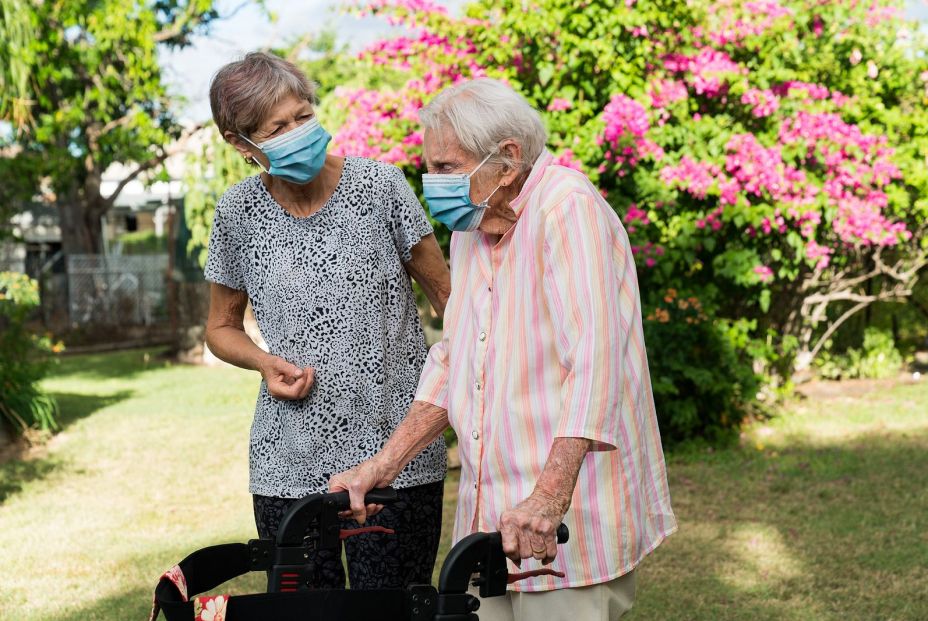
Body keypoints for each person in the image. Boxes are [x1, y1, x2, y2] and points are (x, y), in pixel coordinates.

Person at [329, 78, 677, 619]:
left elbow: (596, 362)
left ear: (507, 160)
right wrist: (386, 462)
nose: (431, 182)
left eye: (445, 167)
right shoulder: (472, 226)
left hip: (566, 522)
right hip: (488, 521)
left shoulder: (567, 208)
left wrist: (549, 497)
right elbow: (455, 357)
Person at [203, 51, 450, 590]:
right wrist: (263, 361)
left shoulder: (380, 187)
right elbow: (220, 327)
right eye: (276, 128)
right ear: (241, 144)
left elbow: (450, 299)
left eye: (302, 116)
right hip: (287, 462)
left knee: (391, 610)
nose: (297, 132)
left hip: (396, 455)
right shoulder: (237, 213)